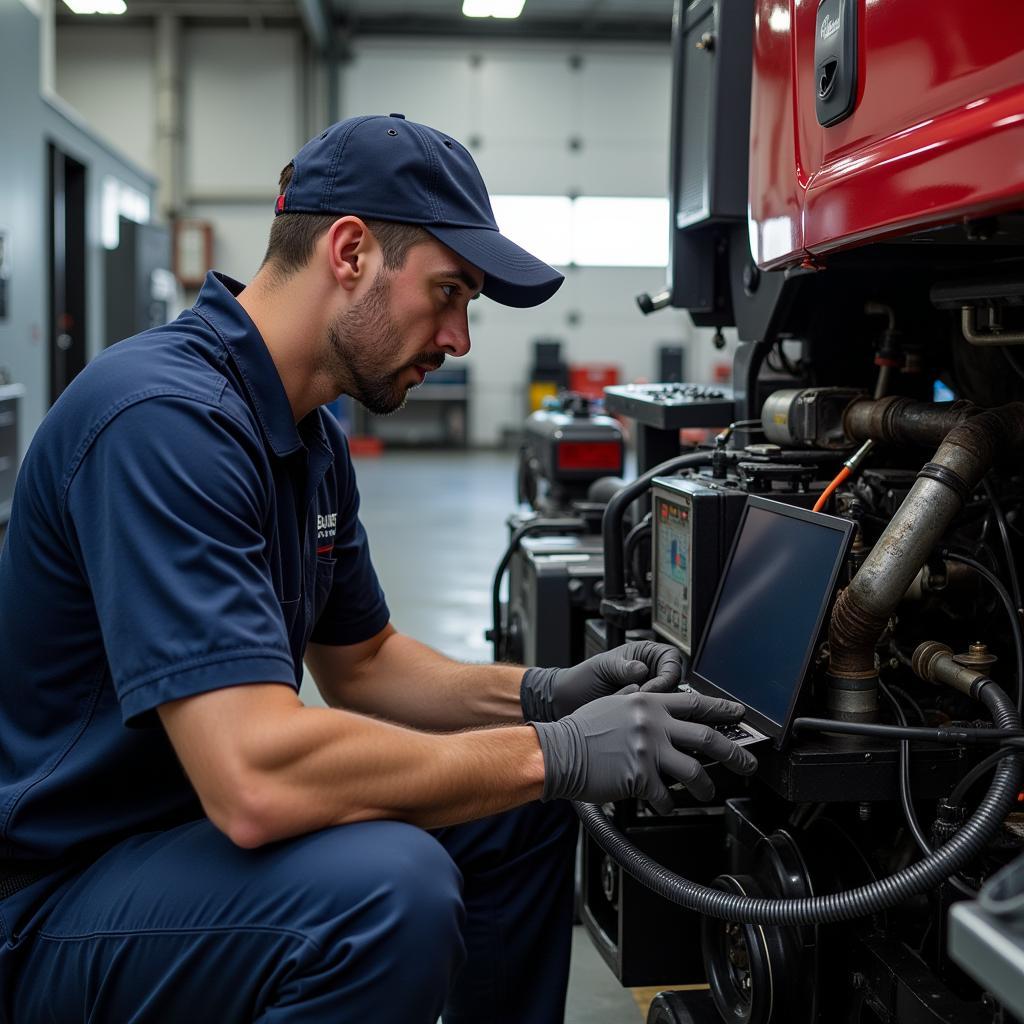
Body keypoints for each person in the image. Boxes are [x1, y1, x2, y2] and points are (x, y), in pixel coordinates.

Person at [0, 114, 757, 1023]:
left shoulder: (307, 429)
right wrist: (555, 753)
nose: (461, 338)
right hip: (54, 896)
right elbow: (254, 779)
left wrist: (547, 696)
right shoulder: (162, 420)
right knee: (386, 892)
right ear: (350, 251)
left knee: (516, 810)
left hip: (174, 841)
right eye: (448, 292)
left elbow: (363, 662)